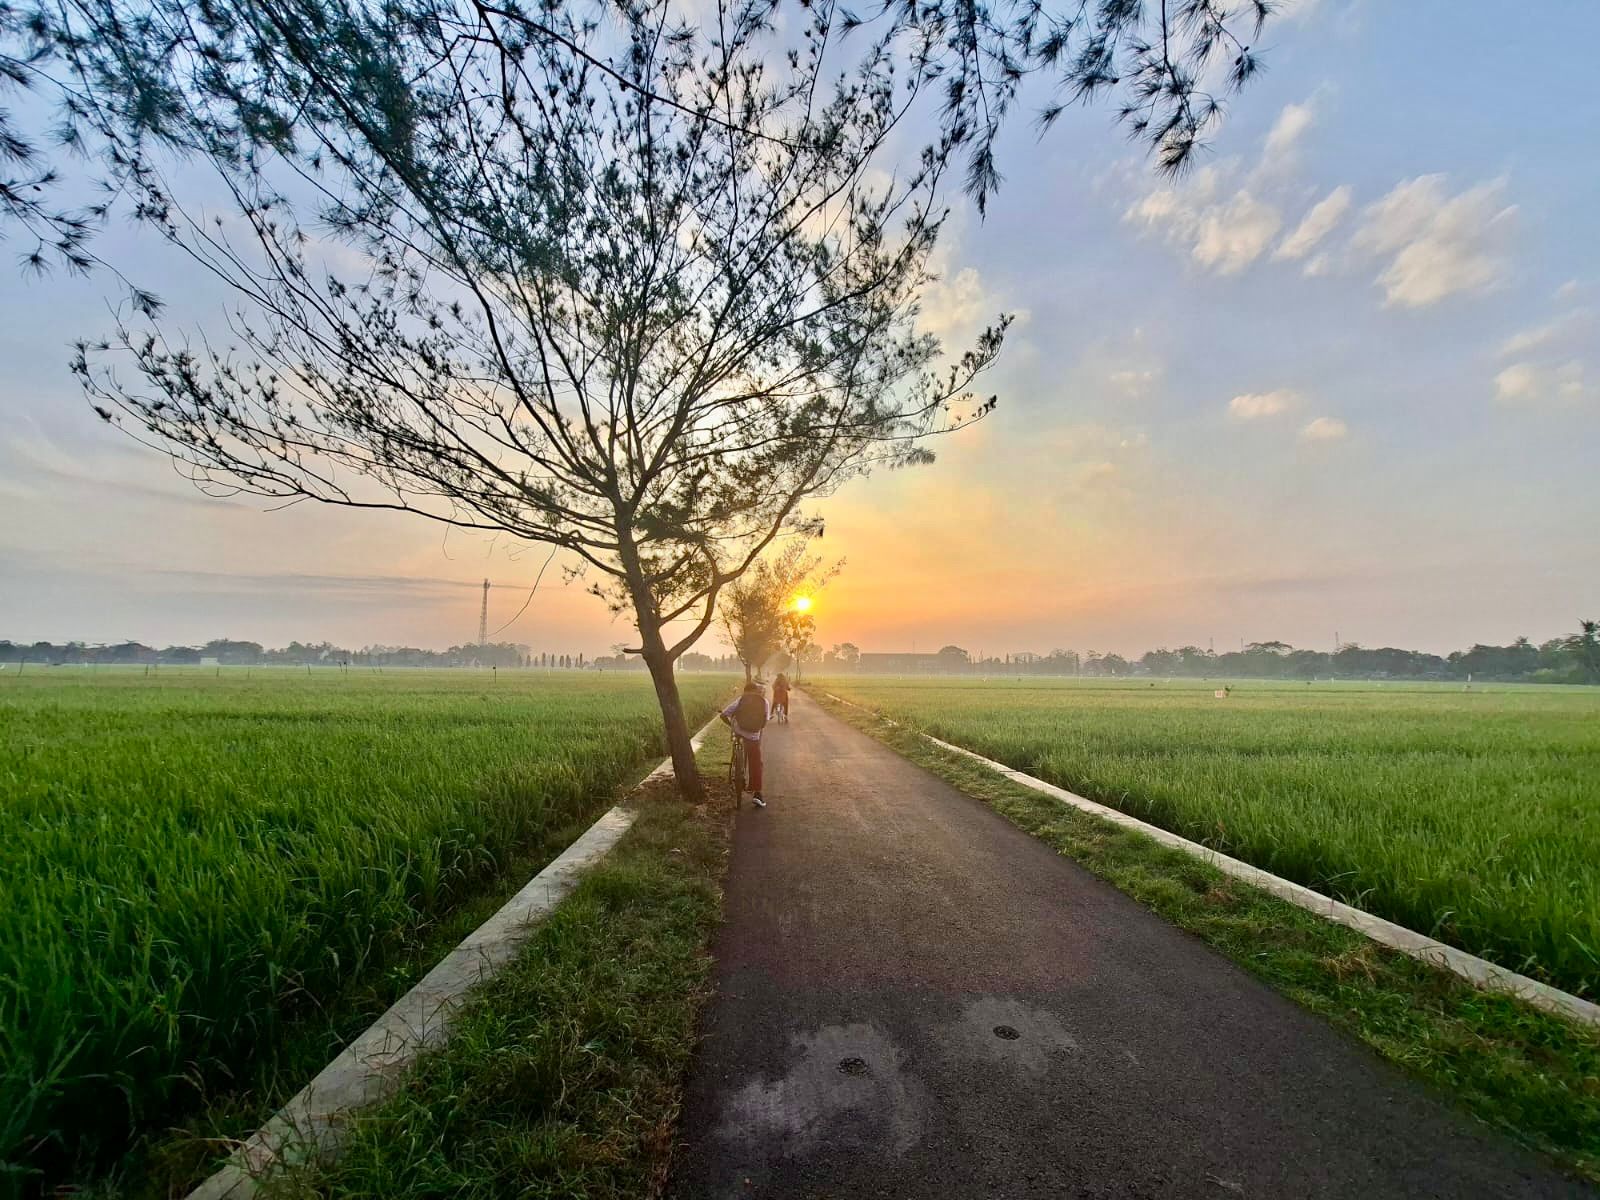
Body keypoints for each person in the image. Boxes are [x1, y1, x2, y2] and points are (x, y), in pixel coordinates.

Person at [721, 680, 769, 807]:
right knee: (756, 762)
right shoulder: (764, 702)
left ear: (745, 691)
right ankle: (757, 794)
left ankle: (737, 756)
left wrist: (731, 725)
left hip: (739, 730)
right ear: (758, 691)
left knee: (738, 738)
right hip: (754, 735)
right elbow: (765, 721)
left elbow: (724, 714)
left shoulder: (741, 699)